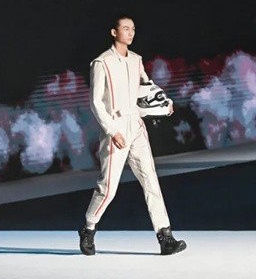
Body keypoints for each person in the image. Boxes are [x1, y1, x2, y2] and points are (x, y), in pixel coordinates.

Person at [78, 15, 187, 256]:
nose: (130, 32)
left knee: (150, 179)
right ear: (114, 32)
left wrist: (164, 104)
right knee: (108, 188)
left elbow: (147, 88)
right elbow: (96, 102)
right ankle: (88, 228)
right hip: (115, 127)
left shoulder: (136, 60)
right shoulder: (102, 63)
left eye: (133, 29)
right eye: (125, 28)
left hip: (136, 125)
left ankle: (165, 237)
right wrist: (112, 130)